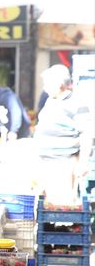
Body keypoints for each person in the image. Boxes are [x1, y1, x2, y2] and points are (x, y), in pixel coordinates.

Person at [35, 64, 93, 205]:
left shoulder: (77, 104)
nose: (45, 88)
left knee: (62, 206)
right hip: (45, 160)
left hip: (63, 162)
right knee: (46, 206)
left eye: (47, 84)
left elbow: (86, 134)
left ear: (59, 85)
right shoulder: (51, 100)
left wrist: (83, 163)